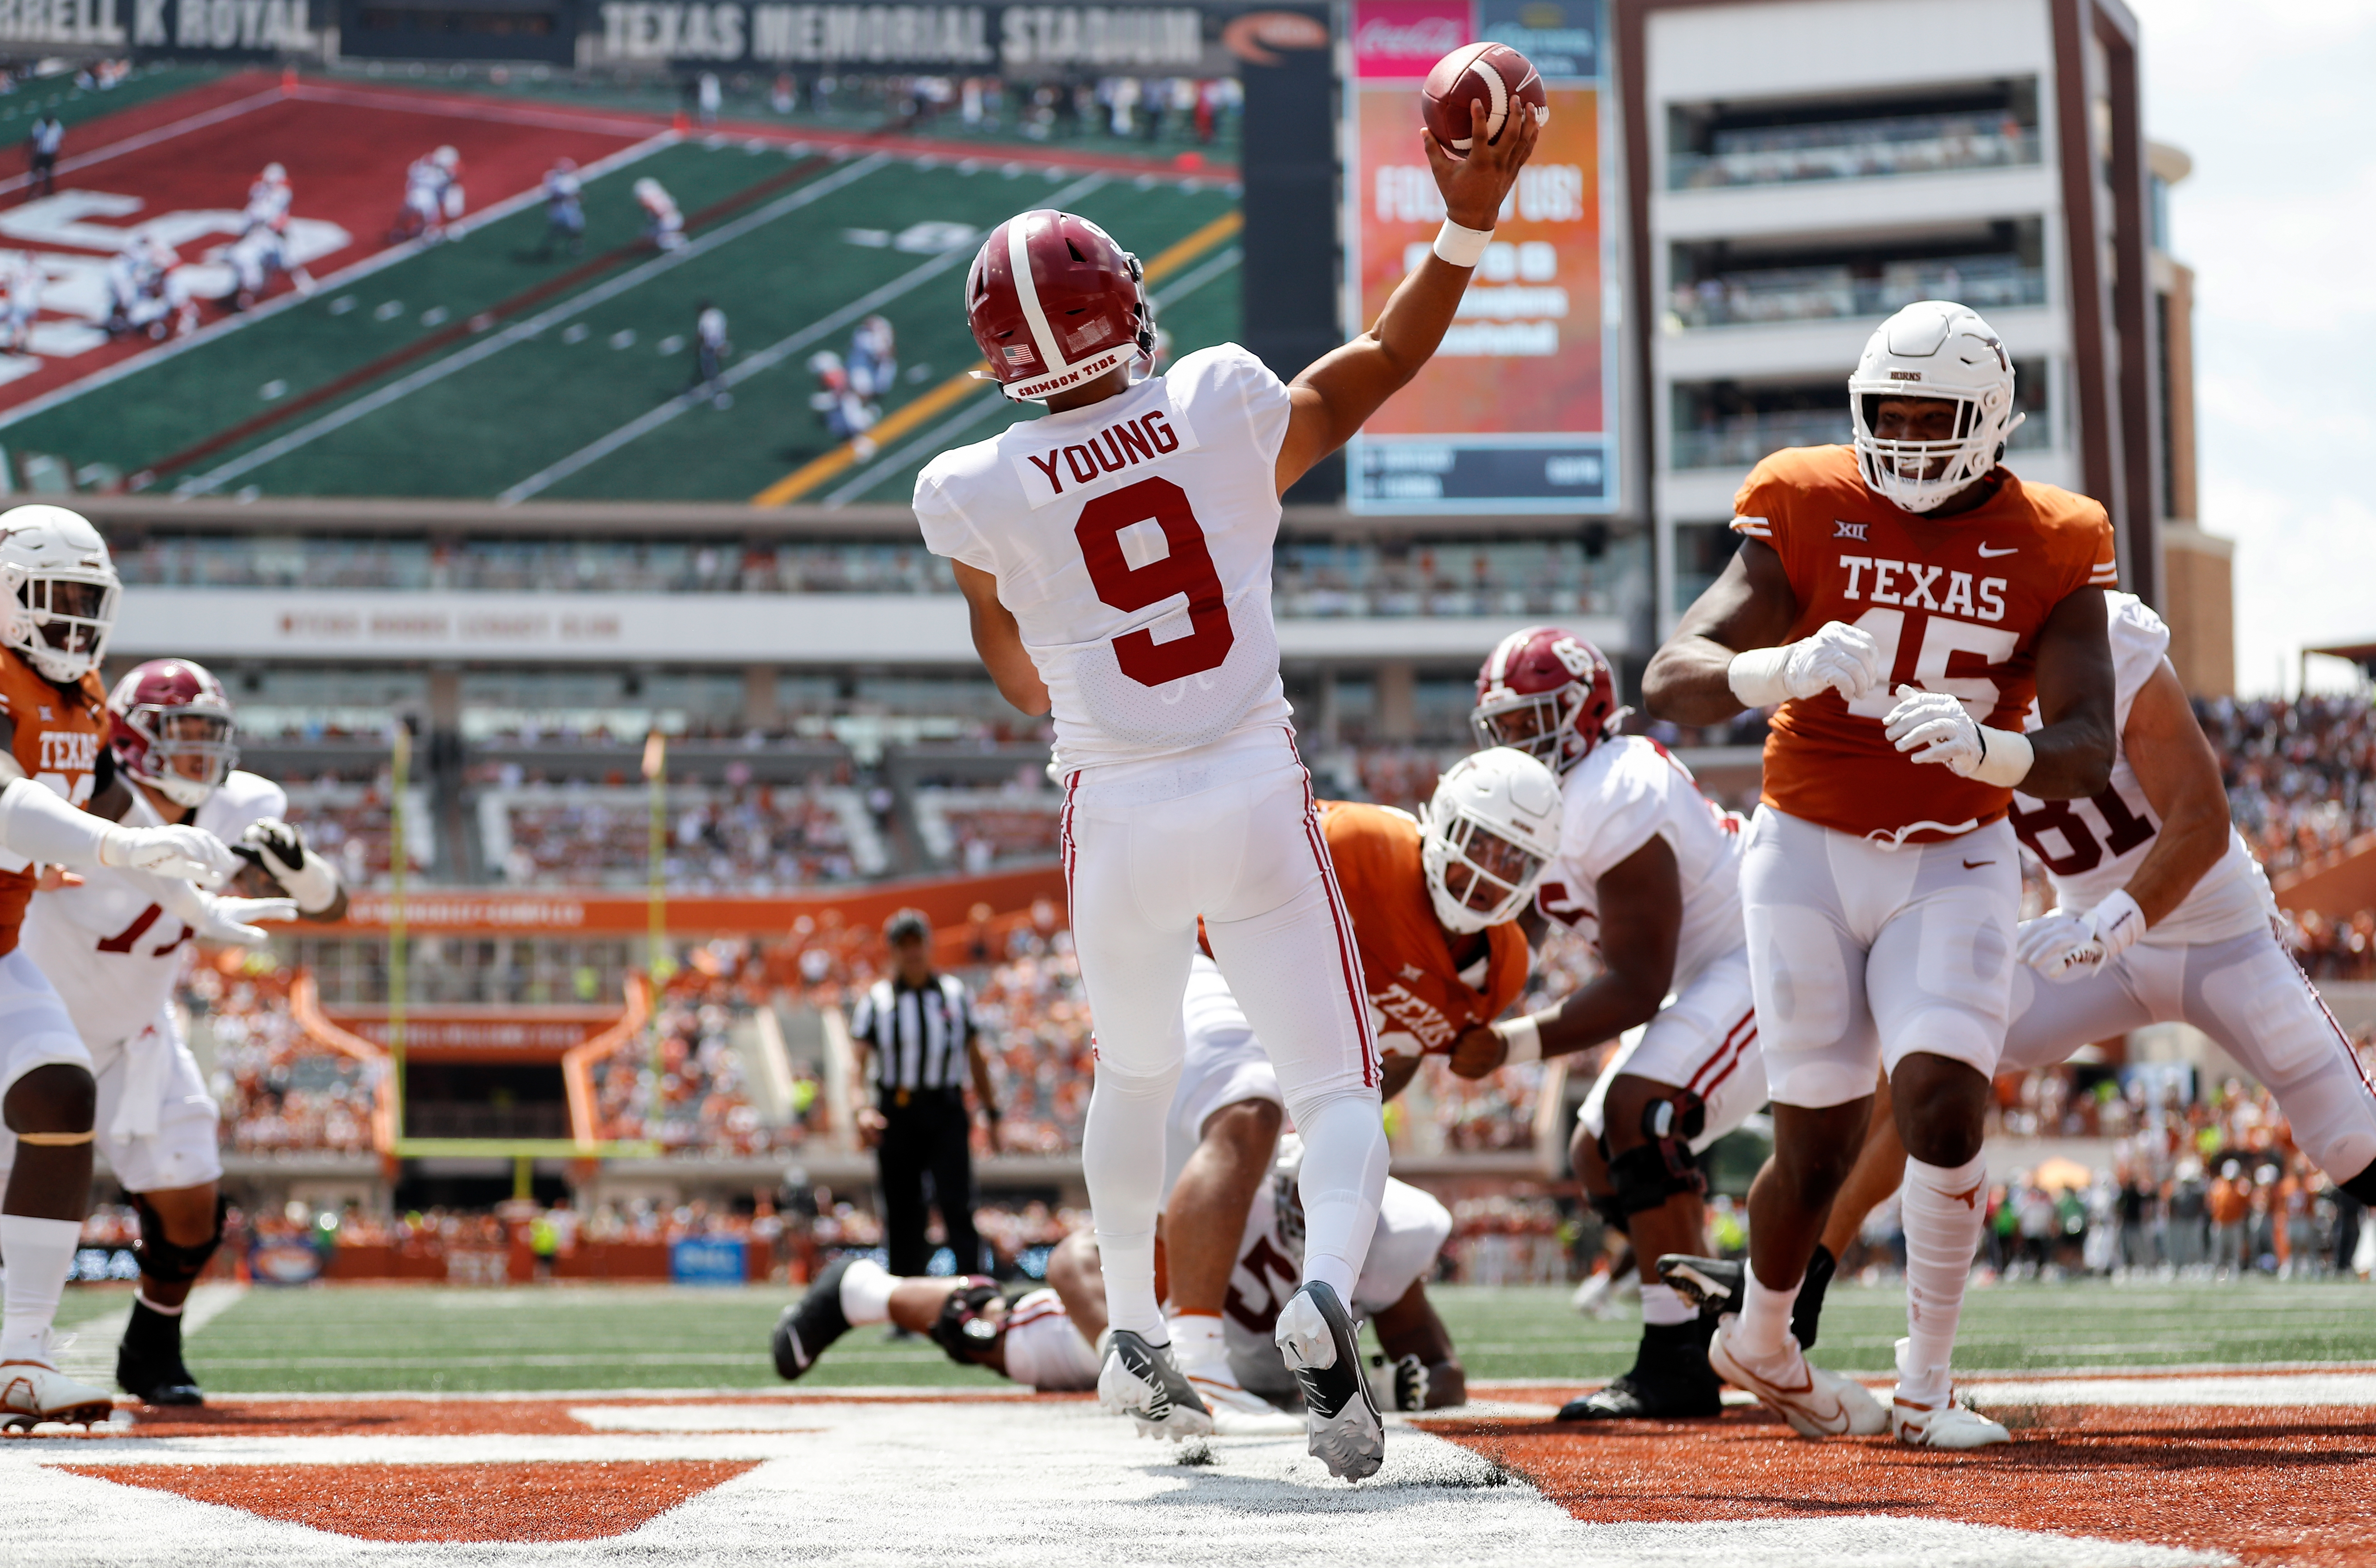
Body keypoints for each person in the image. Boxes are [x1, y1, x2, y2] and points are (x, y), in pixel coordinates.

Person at [910, 97, 1538, 1479]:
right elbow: (1383, 357)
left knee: (1136, 1072)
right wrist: (1467, 216)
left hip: (1116, 814)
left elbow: (1017, 681)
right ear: (1120, 304)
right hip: (1254, 783)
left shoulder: (963, 487)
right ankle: (1323, 1306)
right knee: (1332, 1087)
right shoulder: (1216, 399)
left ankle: (1137, 1336)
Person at [1640, 298, 2120, 1451]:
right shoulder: (1807, 499)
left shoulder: (2053, 536)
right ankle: (1758, 1340)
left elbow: (2088, 743)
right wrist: (1782, 664)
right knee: (1810, 1145)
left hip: (1953, 853)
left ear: (1989, 421)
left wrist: (1986, 748)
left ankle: (1924, 1387)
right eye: (1884, 412)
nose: (1902, 436)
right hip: (1802, 847)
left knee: (1945, 1107)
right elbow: (1671, 673)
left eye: (1930, 414)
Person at [1673, 593, 2376, 1321]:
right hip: (2084, 943)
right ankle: (1789, 1282)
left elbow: (2202, 820)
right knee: (1921, 1063)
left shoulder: (2105, 635)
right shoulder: (1925, 673)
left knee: (2351, 1140)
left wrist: (2111, 924)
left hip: (2211, 929)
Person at [1157, 751, 1554, 1424]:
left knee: (1356, 1141)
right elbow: (1237, 878)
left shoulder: (1502, 970)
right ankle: (1194, 1356)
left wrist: (1337, 1108)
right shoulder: (1361, 840)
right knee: (1251, 1106)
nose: (1487, 870)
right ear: (1443, 823)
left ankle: (1319, 1320)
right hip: (1219, 964)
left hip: (1305, 1047)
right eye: (1478, 841)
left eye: (1512, 857)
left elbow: (1390, 1059)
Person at [12, 658, 349, 1406]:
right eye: (178, 734)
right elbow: (118, 829)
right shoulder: (84, 792)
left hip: (137, 1035)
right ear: (129, 737)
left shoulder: (242, 804)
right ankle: (20, 1353)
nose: (197, 752)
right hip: (34, 1024)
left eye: (208, 736)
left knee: (194, 1206)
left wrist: (301, 871)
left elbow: (331, 910)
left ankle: (151, 1347)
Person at [1457, 626, 1762, 1423]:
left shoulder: (1615, 782)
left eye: (1536, 720)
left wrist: (1509, 1045)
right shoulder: (1554, 796)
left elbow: (1635, 984)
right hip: (1699, 975)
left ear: (1586, 709)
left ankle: (1677, 1365)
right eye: (1508, 726)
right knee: (1596, 1158)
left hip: (1758, 954)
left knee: (1642, 1115)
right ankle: (1730, 1302)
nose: (1521, 740)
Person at [0, 507, 239, 1429]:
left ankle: (21, 1355)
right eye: (53, 596)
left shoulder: (86, 693)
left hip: (2, 940)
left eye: (86, 600)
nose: (71, 618)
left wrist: (194, 900)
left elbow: (123, 816)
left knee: (61, 1098)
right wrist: (115, 846)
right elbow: (12, 802)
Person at [772, 1140, 1465, 1416]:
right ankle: (861, 1290)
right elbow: (1078, 1258)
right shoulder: (1230, 1191)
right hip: (1155, 1340)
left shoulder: (1380, 1243)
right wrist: (1127, 1349)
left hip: (1251, 1389)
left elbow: (1442, 1369)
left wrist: (1401, 1389)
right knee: (996, 1330)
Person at [846, 909, 1000, 1280]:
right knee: (902, 1207)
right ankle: (903, 1298)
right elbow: (856, 1065)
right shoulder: (877, 1000)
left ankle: (975, 1294)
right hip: (896, 1110)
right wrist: (861, 1109)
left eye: (918, 944)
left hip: (945, 1107)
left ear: (929, 946)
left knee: (956, 1201)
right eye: (905, 946)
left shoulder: (955, 994)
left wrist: (992, 1111)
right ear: (893, 951)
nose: (913, 953)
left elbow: (975, 1057)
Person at [539, 158, 584, 257]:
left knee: (575, 228)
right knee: (559, 228)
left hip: (567, 209)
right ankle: (551, 246)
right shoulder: (552, 178)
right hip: (559, 209)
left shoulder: (569, 180)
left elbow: (576, 195)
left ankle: (576, 245)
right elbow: (557, 196)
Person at [690, 300, 730, 408]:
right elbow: (725, 329)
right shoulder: (718, 314)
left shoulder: (704, 319)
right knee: (717, 367)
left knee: (710, 371)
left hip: (709, 348)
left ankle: (719, 394)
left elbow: (702, 335)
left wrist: (696, 347)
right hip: (720, 345)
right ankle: (718, 388)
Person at [24, 116, 59, 200]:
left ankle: (47, 191)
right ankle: (32, 193)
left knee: (48, 174)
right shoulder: (40, 129)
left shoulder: (53, 129)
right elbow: (33, 141)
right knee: (36, 175)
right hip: (40, 155)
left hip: (47, 155)